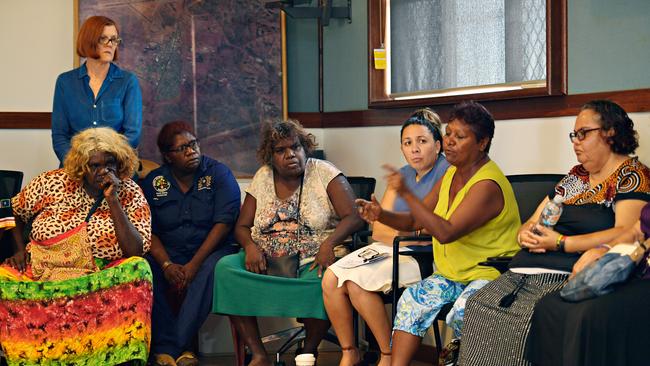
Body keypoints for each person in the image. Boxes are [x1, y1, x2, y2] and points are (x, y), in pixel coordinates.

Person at [458, 100, 650, 366]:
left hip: (566, 273)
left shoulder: (631, 175)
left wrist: (561, 242)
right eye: (574, 135)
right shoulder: (575, 178)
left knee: (523, 322)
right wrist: (525, 235)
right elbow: (531, 222)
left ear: (610, 132)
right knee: (478, 306)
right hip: (521, 272)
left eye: (583, 133)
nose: (576, 141)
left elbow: (626, 233)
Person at [356, 101, 521, 366]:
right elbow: (413, 220)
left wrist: (406, 193)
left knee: (466, 311)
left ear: (482, 143)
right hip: (451, 274)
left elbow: (445, 232)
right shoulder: (451, 174)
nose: (450, 142)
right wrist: (380, 214)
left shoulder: (487, 184)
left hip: (489, 274)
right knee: (412, 301)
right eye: (449, 133)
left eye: (460, 136)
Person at [213, 119, 363, 366]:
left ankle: (309, 350)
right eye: (280, 150)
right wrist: (250, 247)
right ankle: (259, 354)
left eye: (295, 147)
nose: (290, 154)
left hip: (313, 258)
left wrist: (329, 244)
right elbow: (241, 226)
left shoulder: (324, 172)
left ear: (305, 147)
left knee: (325, 279)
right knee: (225, 269)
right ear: (270, 157)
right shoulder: (262, 176)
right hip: (263, 259)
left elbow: (354, 216)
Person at [0, 127, 152, 365]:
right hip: (43, 270)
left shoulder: (130, 192)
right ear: (82, 166)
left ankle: (116, 356)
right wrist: (19, 250)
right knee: (2, 278)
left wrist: (113, 201)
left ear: (120, 161)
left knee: (140, 269)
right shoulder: (51, 182)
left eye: (110, 163)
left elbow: (135, 250)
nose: (104, 171)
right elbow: (14, 211)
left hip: (99, 277)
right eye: (95, 165)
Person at [321, 108, 450, 366]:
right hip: (388, 249)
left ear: (438, 146)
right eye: (407, 143)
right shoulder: (400, 175)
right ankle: (349, 351)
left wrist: (404, 231)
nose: (414, 149)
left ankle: (388, 353)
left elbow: (432, 228)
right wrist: (406, 231)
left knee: (358, 285)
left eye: (422, 142)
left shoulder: (447, 172)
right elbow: (379, 229)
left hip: (423, 256)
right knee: (331, 278)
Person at [141, 121, 241, 366]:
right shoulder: (154, 182)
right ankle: (181, 351)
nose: (192, 151)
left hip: (212, 251)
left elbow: (224, 224)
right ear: (167, 156)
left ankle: (172, 348)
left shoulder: (218, 174)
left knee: (212, 269)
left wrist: (194, 264)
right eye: (183, 148)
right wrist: (165, 264)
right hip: (169, 252)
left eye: (194, 144)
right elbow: (147, 229)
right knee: (144, 267)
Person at [525, 200, 650, 366]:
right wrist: (604, 249)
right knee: (550, 306)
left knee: (588, 315)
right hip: (634, 268)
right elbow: (636, 231)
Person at [52, 15, 142, 164]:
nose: (110, 44)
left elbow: (133, 135)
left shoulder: (128, 81)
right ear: (89, 41)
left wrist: (104, 164)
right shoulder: (65, 82)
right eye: (103, 39)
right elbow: (59, 135)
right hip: (75, 170)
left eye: (114, 39)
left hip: (115, 170)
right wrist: (79, 166)